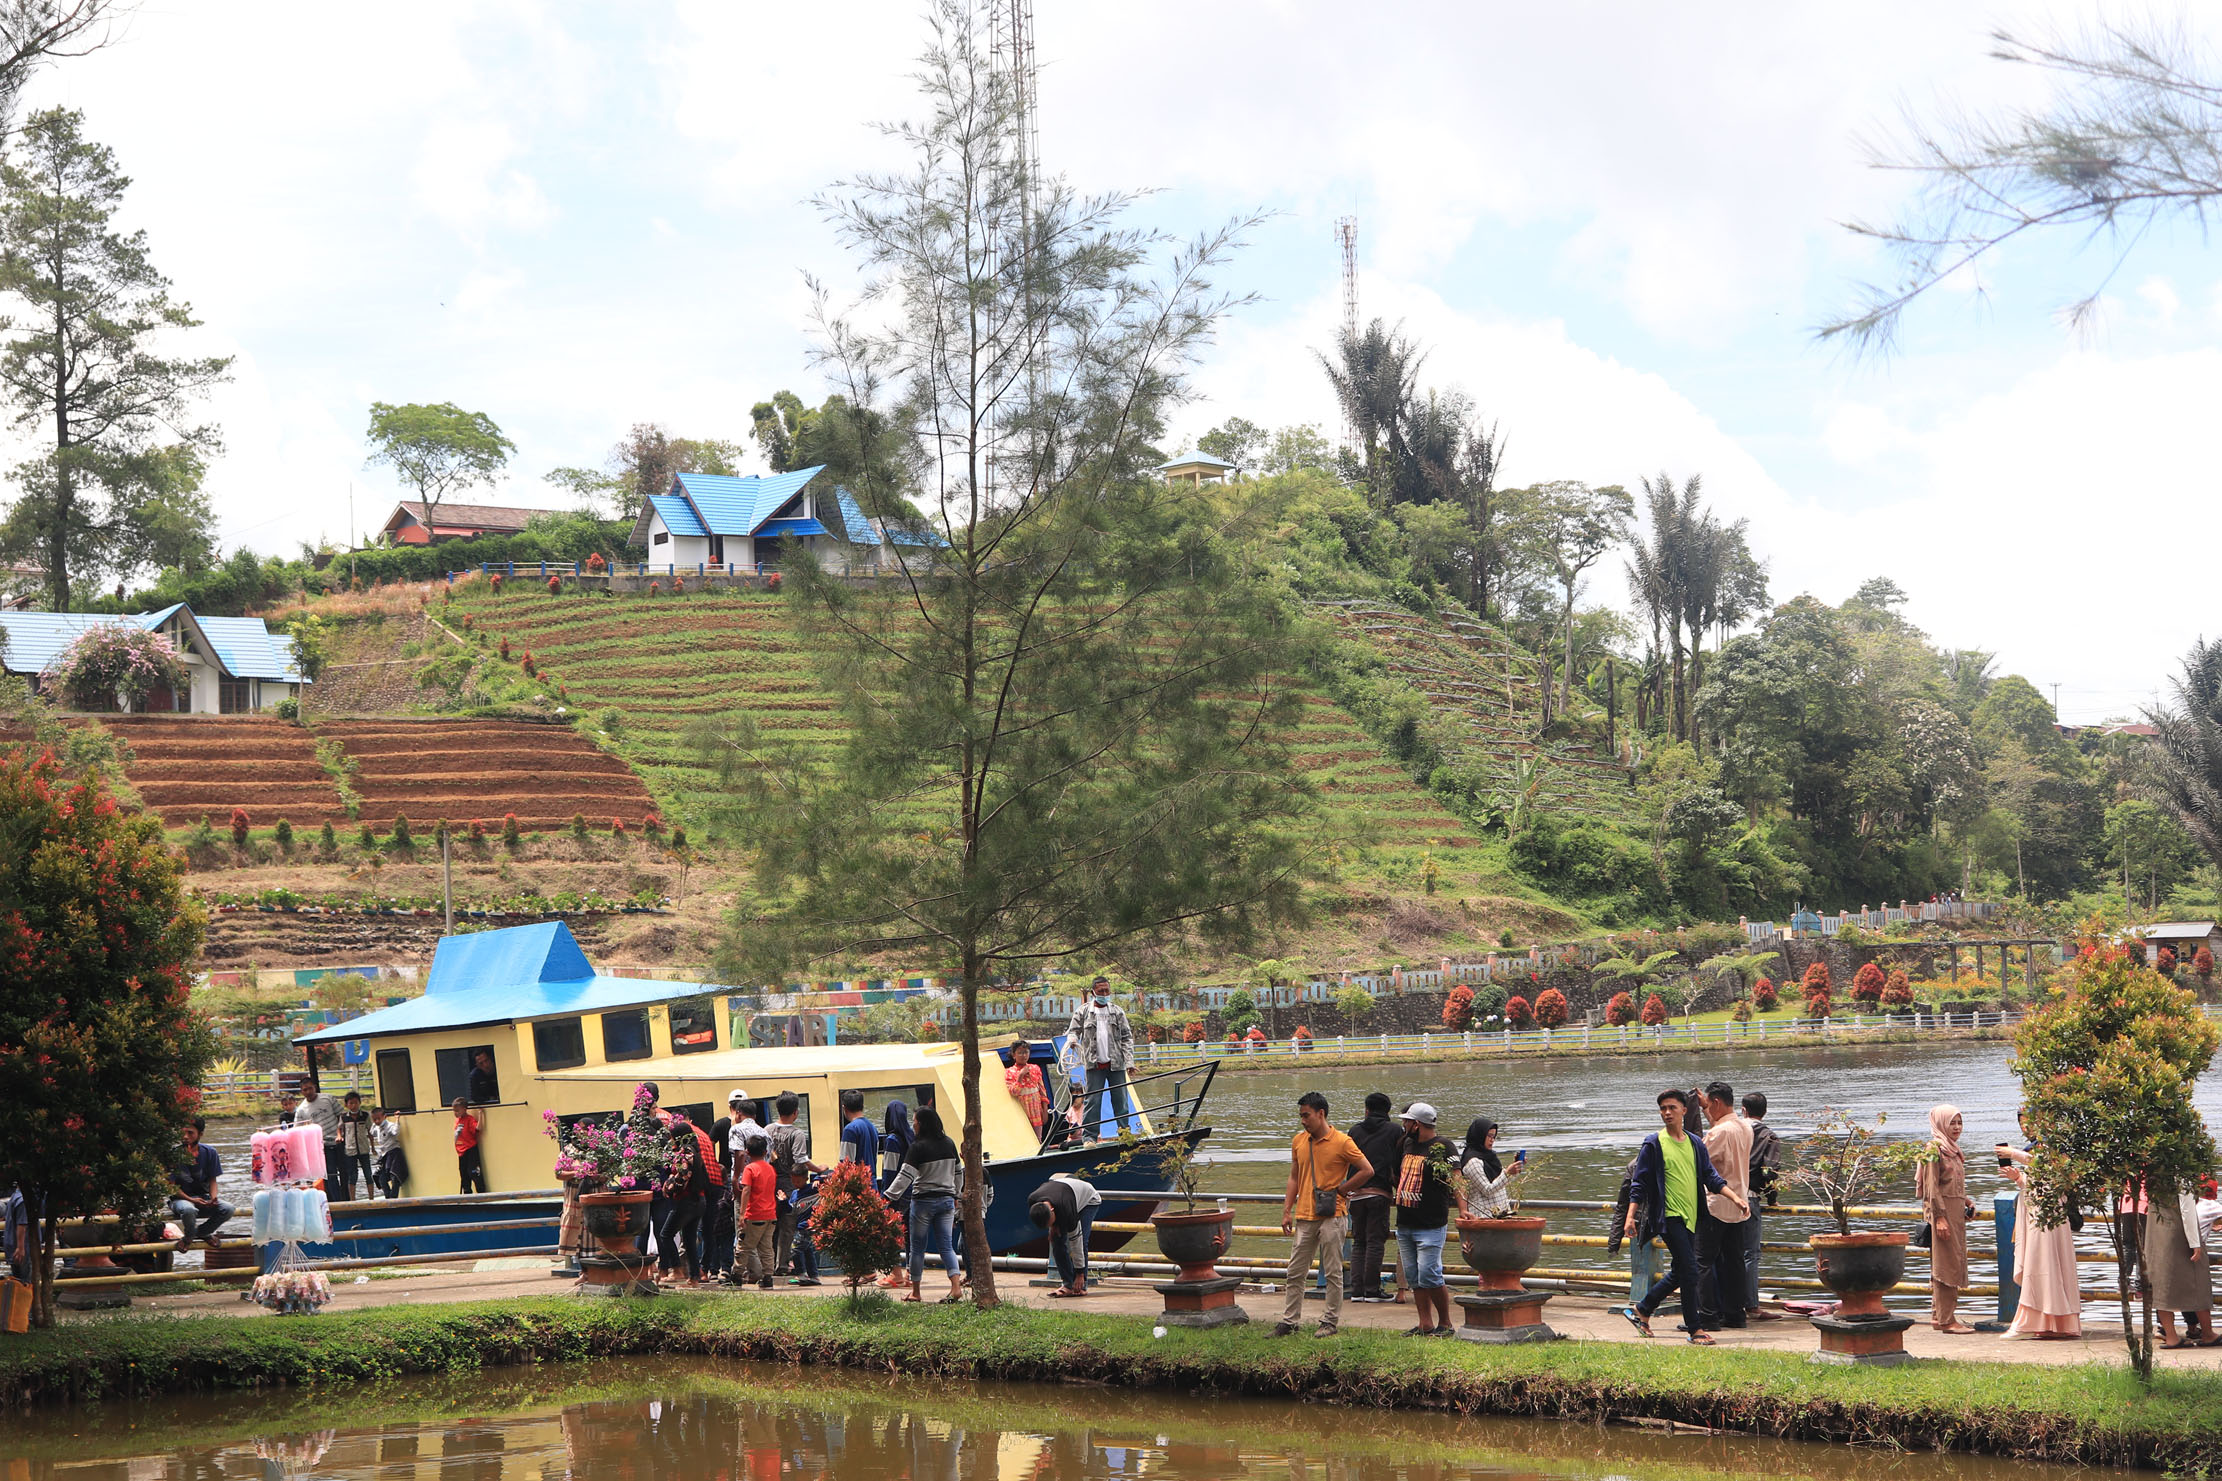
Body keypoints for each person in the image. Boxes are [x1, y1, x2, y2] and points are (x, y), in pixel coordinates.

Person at [1618, 1088, 1744, 1345]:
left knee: (1681, 1270)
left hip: (1692, 1217)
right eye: (1663, 1108)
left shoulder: (1695, 1143)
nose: (1667, 1113)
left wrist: (1735, 1198)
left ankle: (1642, 1309)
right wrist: (1630, 1218)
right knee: (1689, 1270)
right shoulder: (1654, 1143)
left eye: (1672, 1108)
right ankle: (1695, 1329)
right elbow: (1638, 1184)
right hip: (1669, 1217)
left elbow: (1710, 1177)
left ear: (1684, 1111)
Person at [1274, 1092, 1374, 1338]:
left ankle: (1329, 1321)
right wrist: (1287, 1210)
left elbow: (1367, 1170)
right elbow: (1294, 1177)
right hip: (1305, 1214)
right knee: (1295, 1271)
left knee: (1333, 1271)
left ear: (1321, 1114)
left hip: (1332, 1215)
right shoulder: (1299, 1141)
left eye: (1306, 1115)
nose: (1303, 1121)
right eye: (1300, 1116)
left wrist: (1343, 1189)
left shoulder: (1342, 1141)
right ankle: (1289, 1321)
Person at [2000, 1119, 2081, 1340]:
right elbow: (2039, 1182)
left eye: (2029, 1121)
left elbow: (2054, 1175)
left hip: (2050, 1217)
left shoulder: (2056, 1147)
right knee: (2041, 1263)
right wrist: (2018, 1177)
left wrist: (2014, 1154)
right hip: (2038, 1213)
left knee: (2042, 1263)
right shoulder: (2037, 1149)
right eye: (2021, 1122)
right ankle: (2048, 1322)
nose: (2026, 1126)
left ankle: (2037, 1320)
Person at [884, 1105, 965, 1303]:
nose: (913, 1125)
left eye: (915, 1122)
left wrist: (887, 1197)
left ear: (921, 1124)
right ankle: (956, 1287)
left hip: (923, 1203)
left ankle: (916, 1292)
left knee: (918, 1248)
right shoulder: (949, 1143)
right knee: (947, 1246)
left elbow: (905, 1176)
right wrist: (955, 1194)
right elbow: (958, 1172)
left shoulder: (917, 1147)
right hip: (946, 1201)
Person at [1392, 1101, 1457, 1337]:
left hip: (1431, 1223)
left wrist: (1464, 1209)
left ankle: (1446, 1323)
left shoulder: (1444, 1147)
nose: (1404, 1125)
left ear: (1417, 1125)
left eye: (1407, 1121)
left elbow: (1456, 1179)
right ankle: (1425, 1323)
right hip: (1406, 1220)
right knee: (1414, 1275)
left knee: (1430, 1272)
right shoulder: (1406, 1143)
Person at [1916, 1103, 1977, 1334]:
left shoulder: (1951, 1149)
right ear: (1940, 1123)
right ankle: (1947, 1320)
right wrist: (1939, 1218)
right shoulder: (1934, 1149)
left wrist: (1966, 1201)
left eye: (1959, 1122)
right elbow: (1931, 1189)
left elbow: (1949, 1184)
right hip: (1942, 1215)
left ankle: (1937, 1316)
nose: (1957, 1127)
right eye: (1952, 1122)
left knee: (1951, 1261)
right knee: (1946, 1266)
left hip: (1954, 1212)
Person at [1696, 1081, 1750, 1331]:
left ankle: (1707, 1315)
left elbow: (1699, 1157)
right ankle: (1735, 1314)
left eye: (1708, 1104)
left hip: (1716, 1203)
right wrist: (1706, 1111)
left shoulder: (1719, 1133)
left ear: (1716, 1101)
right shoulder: (1744, 1127)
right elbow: (1719, 1127)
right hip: (1740, 1204)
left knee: (1703, 1261)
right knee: (1735, 1262)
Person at [1062, 976, 1137, 1140]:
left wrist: (1129, 1061)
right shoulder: (1082, 1011)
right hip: (1094, 1064)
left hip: (1116, 1064)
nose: (1104, 993)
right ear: (1093, 992)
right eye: (1101, 991)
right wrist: (1072, 1039)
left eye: (1107, 990)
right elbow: (1073, 1031)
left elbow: (1127, 1037)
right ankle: (1089, 1138)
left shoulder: (1117, 1011)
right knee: (1093, 1101)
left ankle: (1124, 1134)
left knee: (1121, 1101)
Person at [1345, 1091, 1402, 1303]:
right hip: (1379, 1192)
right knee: (1376, 1241)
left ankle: (1357, 1290)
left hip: (1356, 1194)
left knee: (1359, 1242)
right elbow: (1398, 1162)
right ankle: (1372, 1290)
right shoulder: (1395, 1130)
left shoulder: (1355, 1130)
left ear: (1367, 1110)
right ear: (1387, 1111)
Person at [2145, 1182, 2216, 1348]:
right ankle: (2207, 1333)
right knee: (2198, 1278)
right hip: (2178, 1231)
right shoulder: (2180, 1170)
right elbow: (2187, 1208)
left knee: (2161, 1281)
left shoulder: (2152, 1169)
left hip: (2156, 1231)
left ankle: (2171, 1336)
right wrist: (2195, 1242)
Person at [767, 1092, 819, 1279]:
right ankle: (782, 1266)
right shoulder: (797, 1134)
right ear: (796, 1112)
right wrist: (819, 1168)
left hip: (771, 1184)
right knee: (788, 1227)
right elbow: (801, 1160)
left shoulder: (767, 1130)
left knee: (772, 1226)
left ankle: (769, 1264)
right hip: (790, 1184)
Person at [1739, 1091, 1780, 1321]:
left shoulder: (1731, 1131)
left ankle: (1729, 1302)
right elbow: (1770, 1171)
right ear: (1764, 1111)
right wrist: (1772, 1199)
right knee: (1750, 1253)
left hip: (1722, 1195)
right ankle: (1751, 1306)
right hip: (1750, 1197)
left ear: (1743, 1110)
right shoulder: (1769, 1137)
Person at [656, 1114, 710, 1286]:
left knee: (665, 1234)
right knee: (688, 1238)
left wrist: (667, 1187)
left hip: (686, 1202)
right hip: (699, 1200)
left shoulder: (685, 1153)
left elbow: (682, 1177)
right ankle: (694, 1277)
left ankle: (676, 1269)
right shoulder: (696, 1151)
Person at [1028, 1171, 1102, 1297]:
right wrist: (1053, 1227)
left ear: (1052, 1211)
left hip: (1088, 1199)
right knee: (1056, 1241)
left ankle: (1081, 1285)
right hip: (1063, 1192)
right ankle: (1068, 1284)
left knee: (1082, 1240)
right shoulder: (1033, 1200)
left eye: (1052, 1223)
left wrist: (1079, 1274)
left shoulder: (1067, 1209)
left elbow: (1076, 1242)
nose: (1051, 1226)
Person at [169, 1118, 233, 1250]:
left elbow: (212, 1180)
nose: (185, 1137)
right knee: (189, 1209)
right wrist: (190, 1199)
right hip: (180, 1199)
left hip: (204, 1197)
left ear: (200, 1134)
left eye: (190, 1133)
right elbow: (170, 1186)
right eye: (183, 1132)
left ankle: (202, 1232)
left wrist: (213, 1198)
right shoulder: (173, 1155)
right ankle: (188, 1237)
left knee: (228, 1208)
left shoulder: (210, 1152)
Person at [1607, 1151, 1653, 1301]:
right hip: (1648, 1221)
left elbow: (1622, 1205)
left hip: (1646, 1221)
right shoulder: (1637, 1166)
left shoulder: (1635, 1165)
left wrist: (1614, 1242)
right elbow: (1623, 1204)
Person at [736, 1133, 779, 1289]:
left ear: (747, 1152)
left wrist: (742, 1215)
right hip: (771, 1214)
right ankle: (768, 1278)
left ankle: (736, 1276)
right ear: (765, 1152)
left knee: (744, 1246)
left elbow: (746, 1190)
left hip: (755, 1214)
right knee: (767, 1248)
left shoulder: (750, 1169)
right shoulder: (770, 1169)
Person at [299, 1077, 344, 1181]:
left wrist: (340, 1134)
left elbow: (341, 1116)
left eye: (310, 1088)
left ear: (315, 1087)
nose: (309, 1091)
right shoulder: (301, 1110)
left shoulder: (328, 1098)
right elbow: (299, 1131)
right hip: (321, 1147)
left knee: (345, 1172)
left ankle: (348, 1196)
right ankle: (334, 1197)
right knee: (330, 1174)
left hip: (339, 1142)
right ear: (301, 1092)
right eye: (305, 1090)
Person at [334, 1091, 376, 1202]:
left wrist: (373, 1147)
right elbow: (339, 1128)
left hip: (364, 1149)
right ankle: (353, 1200)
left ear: (360, 1103)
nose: (354, 1105)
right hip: (350, 1150)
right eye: (351, 1103)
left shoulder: (365, 1116)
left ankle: (371, 1199)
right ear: (346, 1105)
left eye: (356, 1103)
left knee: (368, 1173)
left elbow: (370, 1132)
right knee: (352, 1176)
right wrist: (339, 1136)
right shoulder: (344, 1117)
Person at [1004, 1038, 1049, 1133]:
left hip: (1036, 1110)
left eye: (1026, 1052)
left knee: (1038, 1139)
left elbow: (1042, 1091)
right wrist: (1020, 1075)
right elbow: (1013, 1092)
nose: (1023, 1055)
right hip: (1021, 1110)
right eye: (1020, 1053)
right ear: (1013, 1055)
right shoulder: (1009, 1072)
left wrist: (1045, 1110)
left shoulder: (1035, 1068)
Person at [838, 1088, 879, 1172]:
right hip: (872, 1181)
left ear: (844, 1108)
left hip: (858, 1184)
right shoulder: (873, 1128)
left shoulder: (850, 1130)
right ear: (862, 1106)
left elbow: (846, 1165)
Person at [370, 1106, 406, 1199]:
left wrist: (397, 1119)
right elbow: (371, 1132)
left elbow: (395, 1132)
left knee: (394, 1175)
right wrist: (373, 1124)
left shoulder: (389, 1125)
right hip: (385, 1154)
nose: (377, 1121)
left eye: (378, 1119)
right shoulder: (376, 1127)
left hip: (393, 1152)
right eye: (374, 1119)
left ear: (384, 1117)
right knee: (381, 1177)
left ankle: (394, 1198)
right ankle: (388, 1197)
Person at [452, 1097, 486, 1194]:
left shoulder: (469, 1119)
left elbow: (478, 1128)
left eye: (457, 1111)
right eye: (454, 1111)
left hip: (470, 1149)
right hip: (461, 1151)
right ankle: (467, 1192)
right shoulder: (457, 1121)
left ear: (464, 1109)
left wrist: (480, 1114)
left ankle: (481, 1192)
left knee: (474, 1171)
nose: (455, 1113)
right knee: (463, 1173)